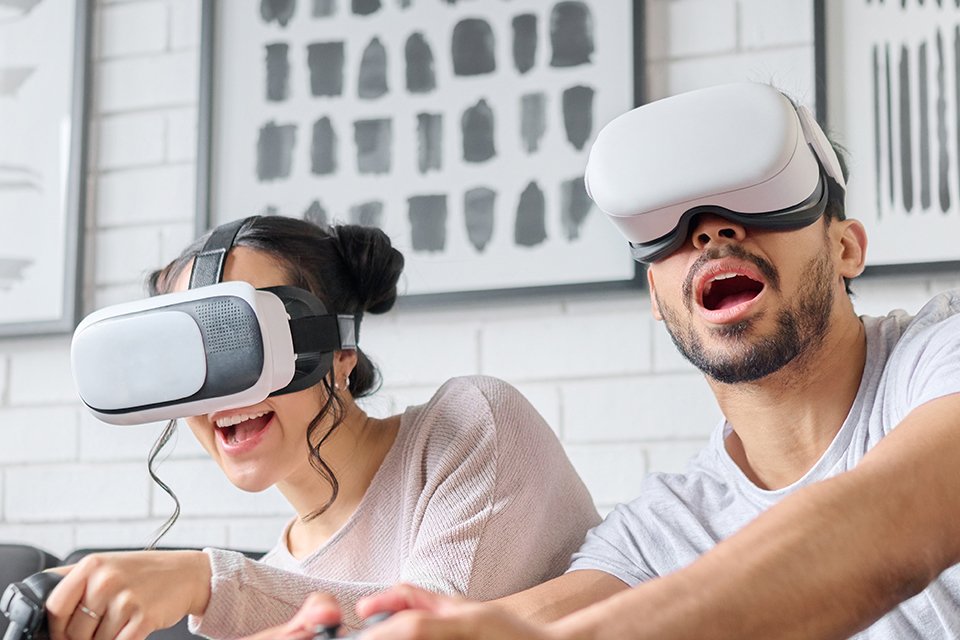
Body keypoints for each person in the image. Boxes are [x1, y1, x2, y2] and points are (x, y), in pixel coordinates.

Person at [244, 83, 960, 639]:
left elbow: (886, 524)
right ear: (657, 294)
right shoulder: (666, 524)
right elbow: (538, 620)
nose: (712, 231)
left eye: (759, 198)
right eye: (669, 229)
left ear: (846, 248)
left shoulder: (939, 360)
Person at [46, 215, 600, 640]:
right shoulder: (278, 579)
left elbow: (429, 624)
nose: (223, 396)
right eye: (192, 362)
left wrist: (206, 582)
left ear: (341, 352)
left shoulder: (469, 422)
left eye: (245, 345)